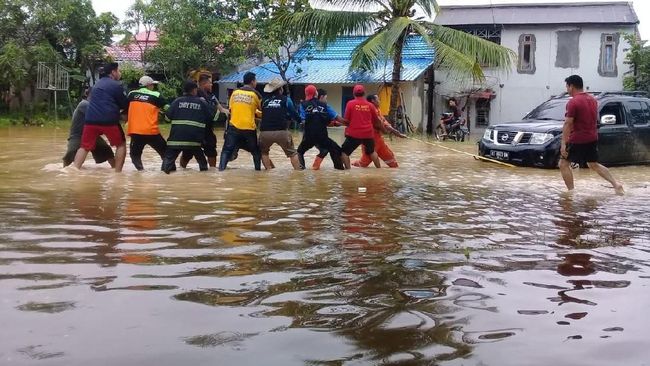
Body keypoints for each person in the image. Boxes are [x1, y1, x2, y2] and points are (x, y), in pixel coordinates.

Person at [559, 74, 624, 194]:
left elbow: (568, 124)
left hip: (577, 138)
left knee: (563, 164)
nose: (566, 90)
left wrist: (563, 143)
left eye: (567, 87)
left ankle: (571, 192)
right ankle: (616, 184)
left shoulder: (573, 102)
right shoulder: (593, 100)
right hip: (592, 138)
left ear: (571, 86)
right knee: (593, 164)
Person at [73, 62, 128, 172]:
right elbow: (124, 104)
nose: (119, 73)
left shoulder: (96, 85)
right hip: (109, 121)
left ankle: (74, 170)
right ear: (113, 72)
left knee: (84, 147)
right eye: (118, 70)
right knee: (121, 145)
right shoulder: (116, 85)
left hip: (90, 120)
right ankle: (118, 173)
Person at [161, 80, 214, 174]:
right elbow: (210, 118)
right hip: (194, 141)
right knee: (203, 164)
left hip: (175, 140)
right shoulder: (201, 103)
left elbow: (167, 118)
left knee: (167, 163)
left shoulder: (177, 101)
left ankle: (165, 176)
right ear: (194, 90)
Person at [181, 73, 228, 169]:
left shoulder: (212, 96)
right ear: (203, 84)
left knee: (211, 151)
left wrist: (231, 112)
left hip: (207, 129)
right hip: (195, 128)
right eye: (210, 83)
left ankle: (212, 171)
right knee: (188, 152)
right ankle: (181, 169)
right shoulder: (195, 94)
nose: (212, 85)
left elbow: (221, 109)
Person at [219, 72, 262, 171]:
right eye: (255, 81)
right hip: (249, 128)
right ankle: (258, 173)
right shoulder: (256, 95)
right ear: (252, 82)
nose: (256, 83)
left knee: (226, 150)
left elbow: (231, 109)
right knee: (255, 152)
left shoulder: (235, 93)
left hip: (234, 127)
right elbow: (261, 110)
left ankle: (221, 171)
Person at [62, 88, 115, 168]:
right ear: (89, 95)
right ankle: (65, 171)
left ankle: (116, 169)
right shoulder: (84, 104)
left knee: (107, 151)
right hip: (78, 135)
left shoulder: (94, 105)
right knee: (70, 154)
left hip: (92, 135)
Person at [296, 85, 345, 170]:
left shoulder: (303, 105)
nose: (326, 99)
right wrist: (349, 123)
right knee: (334, 149)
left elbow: (303, 121)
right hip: (322, 136)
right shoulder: (325, 106)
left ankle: (302, 170)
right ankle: (339, 170)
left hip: (309, 136)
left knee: (300, 151)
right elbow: (335, 119)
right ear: (318, 94)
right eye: (326, 98)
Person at [352, 94, 406, 168]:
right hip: (370, 140)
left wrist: (394, 131)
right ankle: (352, 164)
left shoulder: (378, 110)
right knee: (363, 164)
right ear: (372, 101)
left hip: (379, 140)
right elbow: (380, 124)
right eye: (378, 99)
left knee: (392, 163)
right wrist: (396, 133)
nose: (379, 101)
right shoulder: (370, 111)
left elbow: (384, 122)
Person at [126, 75, 168, 171]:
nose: (153, 87)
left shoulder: (131, 94)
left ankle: (141, 172)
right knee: (166, 154)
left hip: (135, 132)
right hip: (151, 132)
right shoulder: (156, 95)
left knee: (135, 156)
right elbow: (167, 108)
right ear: (149, 85)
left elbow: (125, 108)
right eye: (152, 85)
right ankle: (165, 172)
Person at [259, 78, 301, 170]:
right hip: (282, 131)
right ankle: (298, 174)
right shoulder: (286, 100)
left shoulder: (263, 101)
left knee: (264, 153)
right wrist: (300, 121)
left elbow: (265, 113)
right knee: (292, 153)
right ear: (280, 89)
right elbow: (293, 113)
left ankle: (268, 171)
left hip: (265, 132)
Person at [340, 84, 381, 169]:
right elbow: (376, 121)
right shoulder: (370, 105)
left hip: (354, 134)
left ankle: (348, 172)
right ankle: (379, 169)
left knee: (343, 152)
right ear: (364, 93)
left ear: (354, 93)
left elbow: (346, 120)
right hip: (368, 134)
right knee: (372, 151)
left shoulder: (350, 104)